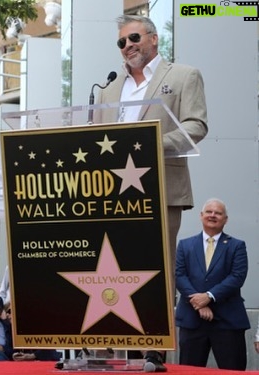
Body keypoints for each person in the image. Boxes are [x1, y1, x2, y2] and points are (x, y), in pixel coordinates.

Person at [95, 15, 208, 371]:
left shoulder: (182, 75)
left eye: (133, 38)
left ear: (154, 39)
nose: (127, 46)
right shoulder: (108, 89)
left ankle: (154, 347)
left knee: (155, 266)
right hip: (113, 195)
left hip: (159, 185)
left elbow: (196, 125)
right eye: (121, 42)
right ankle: (118, 345)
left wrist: (150, 144)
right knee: (114, 268)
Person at [175, 198, 249, 370]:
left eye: (218, 213)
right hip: (192, 321)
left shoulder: (237, 246)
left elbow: (237, 277)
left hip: (227, 322)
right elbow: (179, 276)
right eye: (209, 211)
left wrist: (208, 297)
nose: (213, 215)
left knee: (233, 371)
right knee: (188, 371)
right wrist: (198, 303)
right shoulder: (185, 245)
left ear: (225, 219)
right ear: (201, 216)